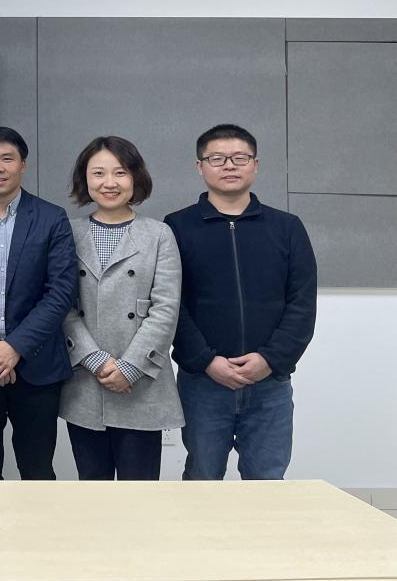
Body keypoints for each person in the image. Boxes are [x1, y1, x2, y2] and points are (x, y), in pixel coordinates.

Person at [166, 123, 317, 480]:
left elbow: (302, 303)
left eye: (239, 158)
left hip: (269, 383)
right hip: (203, 383)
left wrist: (269, 359)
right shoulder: (176, 227)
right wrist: (206, 361)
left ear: (255, 164)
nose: (229, 166)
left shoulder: (287, 227)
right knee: (202, 479)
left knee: (267, 483)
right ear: (200, 166)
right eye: (217, 158)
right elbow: (170, 304)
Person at [0, 125, 77, 480]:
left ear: (23, 164)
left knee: (37, 471)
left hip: (37, 365)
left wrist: (14, 347)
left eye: (7, 158)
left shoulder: (52, 218)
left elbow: (61, 291)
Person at [59, 136, 183, 480]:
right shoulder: (67, 232)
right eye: (98, 173)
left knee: (140, 495)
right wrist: (96, 360)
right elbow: (62, 304)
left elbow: (165, 309)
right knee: (92, 489)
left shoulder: (159, 234)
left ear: (135, 177)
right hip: (86, 381)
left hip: (141, 383)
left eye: (120, 172)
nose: (109, 182)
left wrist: (129, 368)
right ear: (85, 179)